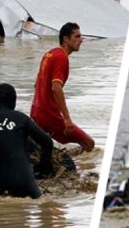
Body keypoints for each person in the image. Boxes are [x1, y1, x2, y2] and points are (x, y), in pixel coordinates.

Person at [30, 22, 95, 152]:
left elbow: (37, 83)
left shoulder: (49, 54)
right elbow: (56, 88)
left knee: (40, 149)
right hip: (49, 115)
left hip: (36, 113)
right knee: (89, 143)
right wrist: (66, 118)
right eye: (77, 36)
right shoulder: (61, 58)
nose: (81, 40)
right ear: (65, 39)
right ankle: (79, 167)